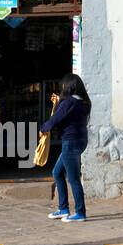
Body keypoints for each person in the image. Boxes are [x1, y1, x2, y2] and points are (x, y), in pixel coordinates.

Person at [42, 74, 91, 222]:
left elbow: (56, 118)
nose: (62, 88)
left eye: (64, 85)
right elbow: (64, 114)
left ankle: (80, 212)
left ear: (69, 86)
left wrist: (43, 128)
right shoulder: (83, 102)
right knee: (57, 172)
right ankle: (63, 209)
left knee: (73, 178)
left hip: (70, 142)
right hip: (81, 140)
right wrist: (58, 103)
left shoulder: (69, 102)